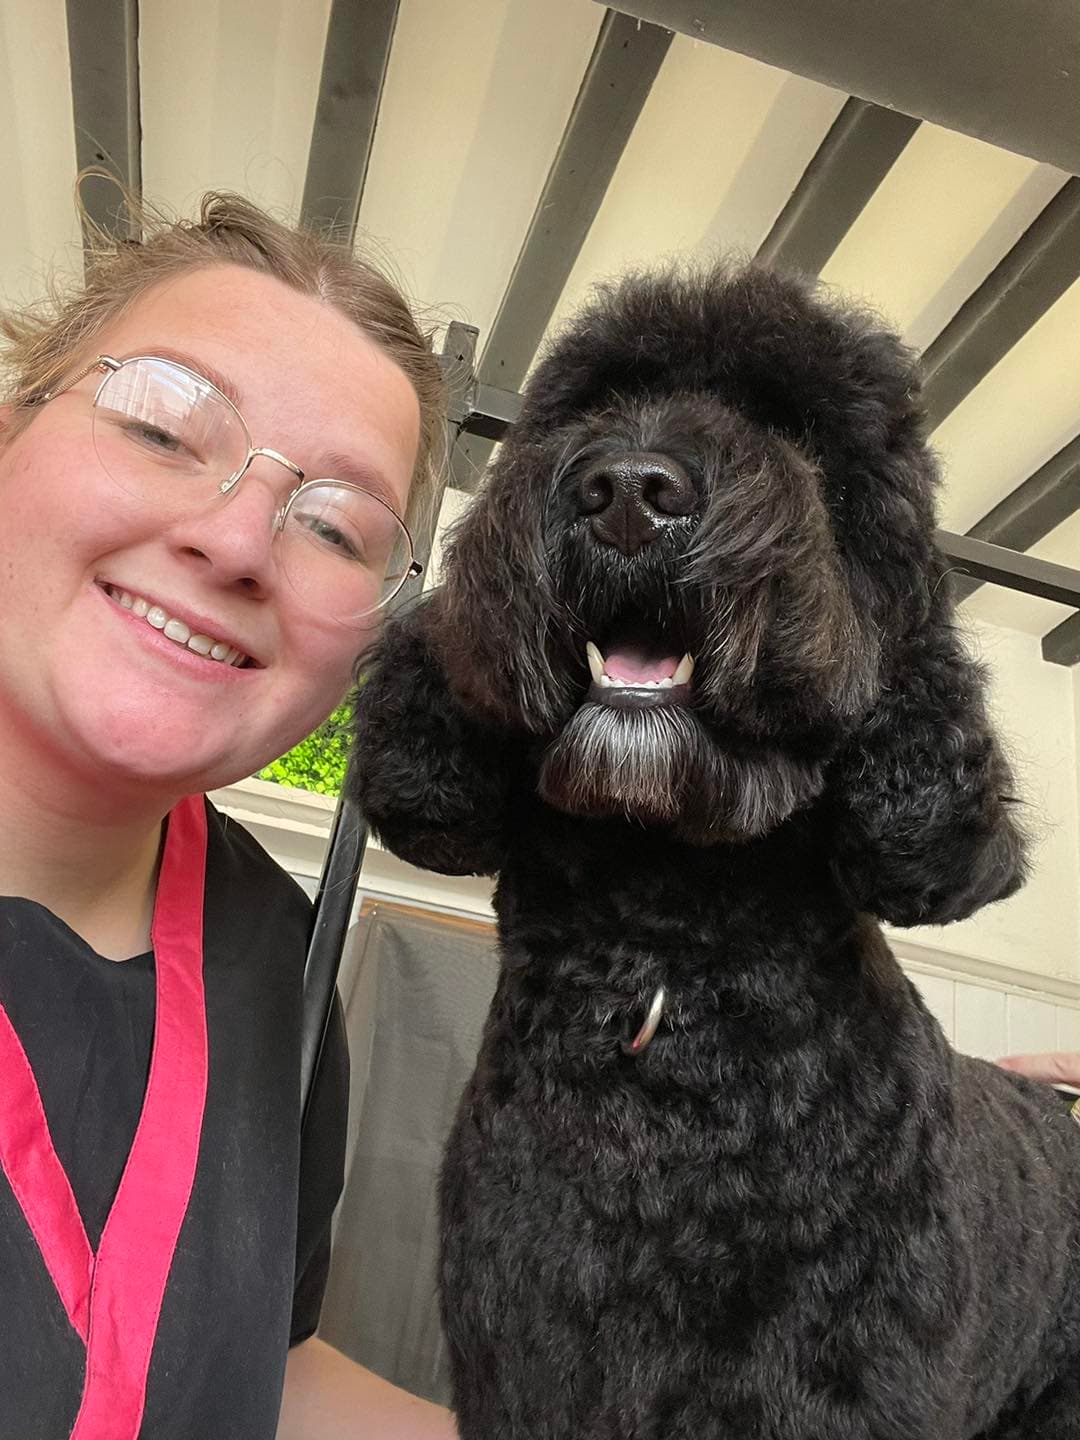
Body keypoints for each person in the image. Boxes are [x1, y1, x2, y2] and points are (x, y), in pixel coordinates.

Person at [0, 187, 456, 1438]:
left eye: (337, 525)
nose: (244, 538)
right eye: (163, 425)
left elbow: (266, 1369)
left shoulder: (285, 956)